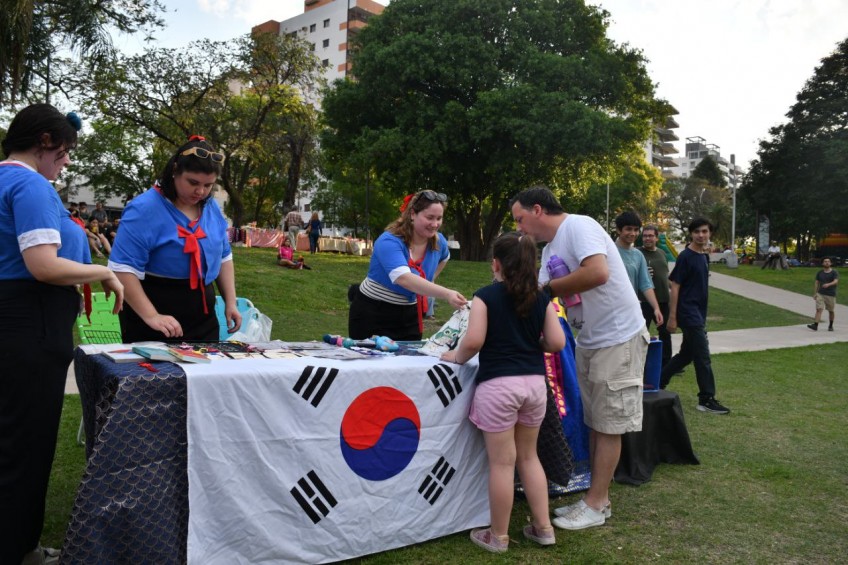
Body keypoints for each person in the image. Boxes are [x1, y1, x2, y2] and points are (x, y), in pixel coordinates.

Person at [0, 103, 124, 565]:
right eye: (66, 150)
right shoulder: (29, 184)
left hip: (17, 319)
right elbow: (43, 265)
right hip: (30, 323)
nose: (67, 160)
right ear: (46, 142)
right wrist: (103, 272)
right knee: (25, 442)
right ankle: (16, 548)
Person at [510, 185, 649, 531]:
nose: (519, 227)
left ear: (537, 210)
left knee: (608, 423)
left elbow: (597, 272)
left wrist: (547, 291)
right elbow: (538, 297)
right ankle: (596, 497)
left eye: (520, 219)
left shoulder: (579, 226)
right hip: (590, 339)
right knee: (596, 420)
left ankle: (596, 504)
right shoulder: (550, 249)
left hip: (619, 336)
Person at [440, 232, 565, 553]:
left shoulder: (485, 296)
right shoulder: (541, 298)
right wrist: (531, 343)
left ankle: (498, 535)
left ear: (496, 264)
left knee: (502, 464)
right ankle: (544, 528)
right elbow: (556, 342)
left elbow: (473, 341)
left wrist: (455, 356)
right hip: (534, 385)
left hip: (498, 386)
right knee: (529, 457)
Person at [108, 135, 241, 343]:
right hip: (153, 311)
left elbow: (224, 256)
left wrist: (230, 302)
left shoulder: (210, 207)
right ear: (175, 171)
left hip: (202, 314)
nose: (200, 191)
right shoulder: (144, 209)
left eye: (208, 185)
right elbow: (122, 268)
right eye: (193, 182)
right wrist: (151, 316)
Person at [348, 190, 467, 341]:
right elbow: (403, 278)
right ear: (412, 214)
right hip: (373, 313)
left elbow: (445, 257)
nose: (435, 224)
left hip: (410, 313)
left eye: (439, 218)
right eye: (429, 217)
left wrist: (428, 281)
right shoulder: (389, 241)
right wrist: (447, 293)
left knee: (410, 355)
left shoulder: (439, 242)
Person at [659, 218, 730, 414]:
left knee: (686, 355)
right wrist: (672, 317)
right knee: (702, 356)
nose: (701, 235)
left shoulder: (703, 256)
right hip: (688, 313)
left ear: (710, 233)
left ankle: (656, 382)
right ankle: (706, 399)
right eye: (697, 231)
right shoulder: (686, 256)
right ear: (691, 234)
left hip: (698, 313)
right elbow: (675, 286)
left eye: (704, 231)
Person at [614, 212, 664, 330]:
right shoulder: (608, 251)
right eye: (628, 229)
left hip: (630, 311)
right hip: (610, 311)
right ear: (618, 230)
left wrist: (656, 308)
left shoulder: (638, 255)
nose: (633, 233)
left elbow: (646, 284)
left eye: (636, 230)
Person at [639, 224, 672, 366]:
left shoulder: (662, 253)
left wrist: (674, 288)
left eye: (651, 236)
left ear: (657, 238)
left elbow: (665, 276)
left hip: (663, 300)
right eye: (645, 236)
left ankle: (667, 363)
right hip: (644, 301)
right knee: (642, 333)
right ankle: (641, 363)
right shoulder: (637, 253)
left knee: (665, 332)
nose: (647, 238)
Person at [807, 257, 838, 331]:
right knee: (819, 309)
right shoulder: (820, 273)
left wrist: (828, 284)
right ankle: (815, 325)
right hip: (820, 293)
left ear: (831, 263)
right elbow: (816, 283)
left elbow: (836, 281)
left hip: (830, 294)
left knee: (831, 311)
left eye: (828, 261)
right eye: (825, 261)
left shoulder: (834, 272)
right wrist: (815, 293)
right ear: (822, 263)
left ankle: (830, 325)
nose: (827, 262)